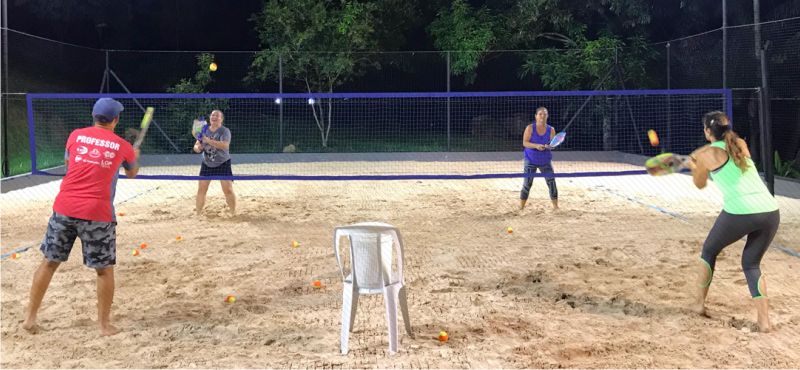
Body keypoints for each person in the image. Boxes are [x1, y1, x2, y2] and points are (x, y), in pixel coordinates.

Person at [22, 98, 140, 336]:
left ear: (94, 116)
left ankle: (30, 319)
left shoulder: (76, 135)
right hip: (97, 213)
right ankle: (104, 326)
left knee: (49, 262)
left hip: (64, 207)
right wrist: (135, 154)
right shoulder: (122, 145)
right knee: (104, 270)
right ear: (115, 120)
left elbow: (69, 162)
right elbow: (132, 173)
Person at [687, 110, 780, 332]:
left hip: (741, 211)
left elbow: (700, 184)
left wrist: (694, 166)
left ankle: (699, 304)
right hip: (770, 211)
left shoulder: (706, 153)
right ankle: (764, 322)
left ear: (707, 131)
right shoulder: (739, 143)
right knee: (751, 263)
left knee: (709, 250)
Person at [193, 109, 236, 216]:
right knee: (201, 189)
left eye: (217, 116)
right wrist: (198, 148)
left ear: (221, 119)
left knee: (228, 190)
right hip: (207, 163)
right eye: (212, 115)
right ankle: (198, 214)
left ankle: (233, 213)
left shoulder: (224, 131)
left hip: (223, 163)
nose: (214, 117)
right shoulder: (204, 129)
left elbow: (225, 145)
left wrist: (208, 141)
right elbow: (197, 145)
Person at [520, 107, 558, 210]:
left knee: (551, 182)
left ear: (547, 116)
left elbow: (553, 145)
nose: (542, 116)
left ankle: (556, 207)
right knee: (527, 183)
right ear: (536, 116)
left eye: (545, 114)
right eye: (540, 114)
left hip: (545, 160)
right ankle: (521, 207)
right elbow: (525, 143)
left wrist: (549, 146)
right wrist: (537, 146)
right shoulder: (530, 128)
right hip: (530, 159)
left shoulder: (551, 129)